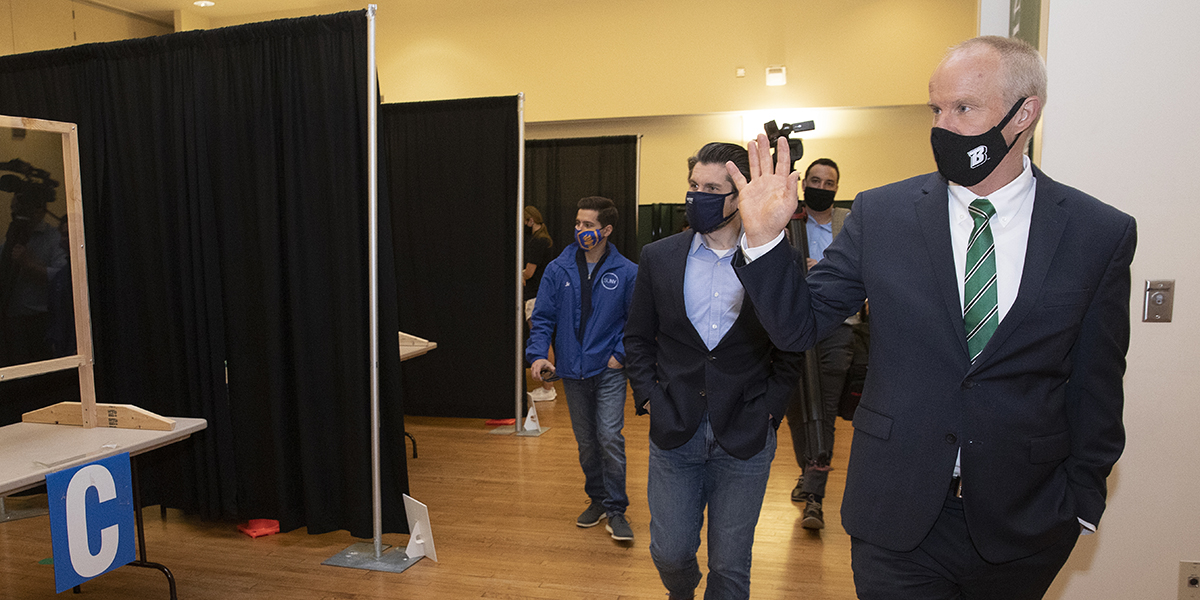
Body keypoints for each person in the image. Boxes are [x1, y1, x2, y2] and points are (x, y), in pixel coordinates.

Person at [731, 36, 1136, 599]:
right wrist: (763, 240)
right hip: (896, 515)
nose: (943, 126)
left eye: (964, 109)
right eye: (936, 109)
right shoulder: (883, 214)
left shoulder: (1098, 233)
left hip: (1025, 523)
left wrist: (1082, 503)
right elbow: (797, 324)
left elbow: (1097, 383)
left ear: (1025, 113)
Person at [624, 142, 803, 600]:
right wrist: (648, 397)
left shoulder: (778, 261)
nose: (697, 197)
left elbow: (791, 346)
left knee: (730, 564)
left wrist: (770, 411)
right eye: (693, 187)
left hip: (745, 432)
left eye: (712, 189)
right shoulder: (658, 256)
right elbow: (638, 338)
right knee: (669, 552)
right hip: (675, 427)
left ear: (740, 194)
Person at [527, 196, 638, 542]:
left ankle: (617, 509)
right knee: (587, 443)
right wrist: (537, 356)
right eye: (577, 224)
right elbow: (542, 318)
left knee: (609, 437)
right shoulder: (557, 269)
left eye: (588, 225)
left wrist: (619, 356)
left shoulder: (628, 272)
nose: (580, 230)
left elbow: (637, 322)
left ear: (606, 230)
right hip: (571, 373)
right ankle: (598, 499)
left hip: (608, 371)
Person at [784, 158, 857, 531]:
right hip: (796, 327)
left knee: (823, 409)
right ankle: (807, 470)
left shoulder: (851, 223)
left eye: (829, 182)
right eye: (815, 180)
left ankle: (815, 496)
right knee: (797, 410)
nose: (822, 187)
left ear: (838, 187)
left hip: (838, 328)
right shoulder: (788, 223)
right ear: (804, 183)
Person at [522, 205, 556, 401]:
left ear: (530, 220)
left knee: (543, 340)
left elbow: (529, 272)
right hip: (540, 295)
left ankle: (548, 387)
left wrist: (520, 275)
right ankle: (548, 386)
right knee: (544, 340)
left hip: (535, 296)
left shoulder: (538, 241)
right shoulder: (544, 240)